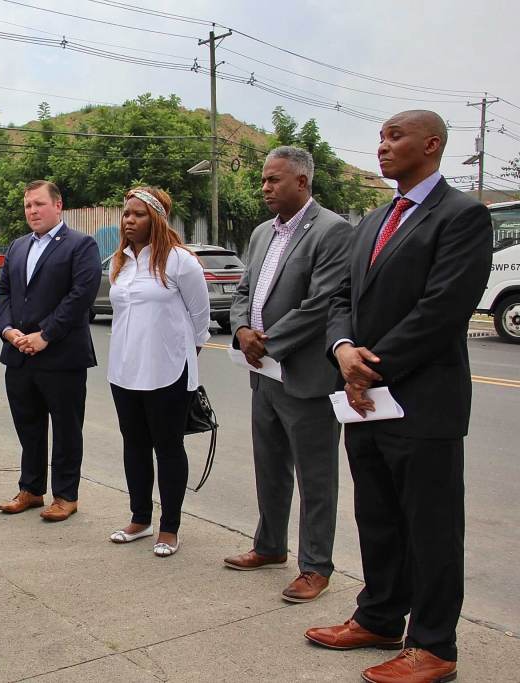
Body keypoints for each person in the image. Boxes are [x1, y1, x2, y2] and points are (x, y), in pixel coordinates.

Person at [306, 111, 492, 683]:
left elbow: (442, 310)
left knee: (431, 527)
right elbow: (340, 294)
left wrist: (371, 369)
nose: (382, 147)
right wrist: (341, 348)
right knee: (377, 517)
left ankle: (434, 646)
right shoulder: (374, 219)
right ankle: (381, 616)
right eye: (381, 137)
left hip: (421, 401)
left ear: (431, 145)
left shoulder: (462, 216)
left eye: (395, 137)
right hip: (364, 403)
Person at [223, 147, 351, 601]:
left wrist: (268, 341)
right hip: (264, 377)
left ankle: (315, 566)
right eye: (263, 180)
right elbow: (243, 289)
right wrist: (240, 329)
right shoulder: (262, 233)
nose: (265, 188)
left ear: (302, 181)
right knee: (270, 468)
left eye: (274, 180)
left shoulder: (333, 231)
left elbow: (321, 304)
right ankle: (270, 546)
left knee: (316, 478)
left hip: (306, 376)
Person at [105, 186, 209, 557]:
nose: (129, 220)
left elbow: (200, 320)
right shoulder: (121, 262)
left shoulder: (180, 261)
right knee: (134, 445)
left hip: (167, 370)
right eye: (126, 214)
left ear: (157, 219)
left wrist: (184, 356)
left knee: (168, 447)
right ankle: (140, 518)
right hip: (124, 370)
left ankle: (170, 527)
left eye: (138, 214)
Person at [0, 180, 101, 522]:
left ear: (58, 206)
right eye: (28, 206)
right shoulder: (17, 246)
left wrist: (46, 335)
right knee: (29, 426)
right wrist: (9, 331)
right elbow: (3, 293)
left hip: (61, 355)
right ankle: (31, 489)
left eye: (39, 204)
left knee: (67, 429)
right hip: (19, 354)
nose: (32, 211)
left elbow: (80, 295)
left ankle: (66, 495)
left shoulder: (80, 245)